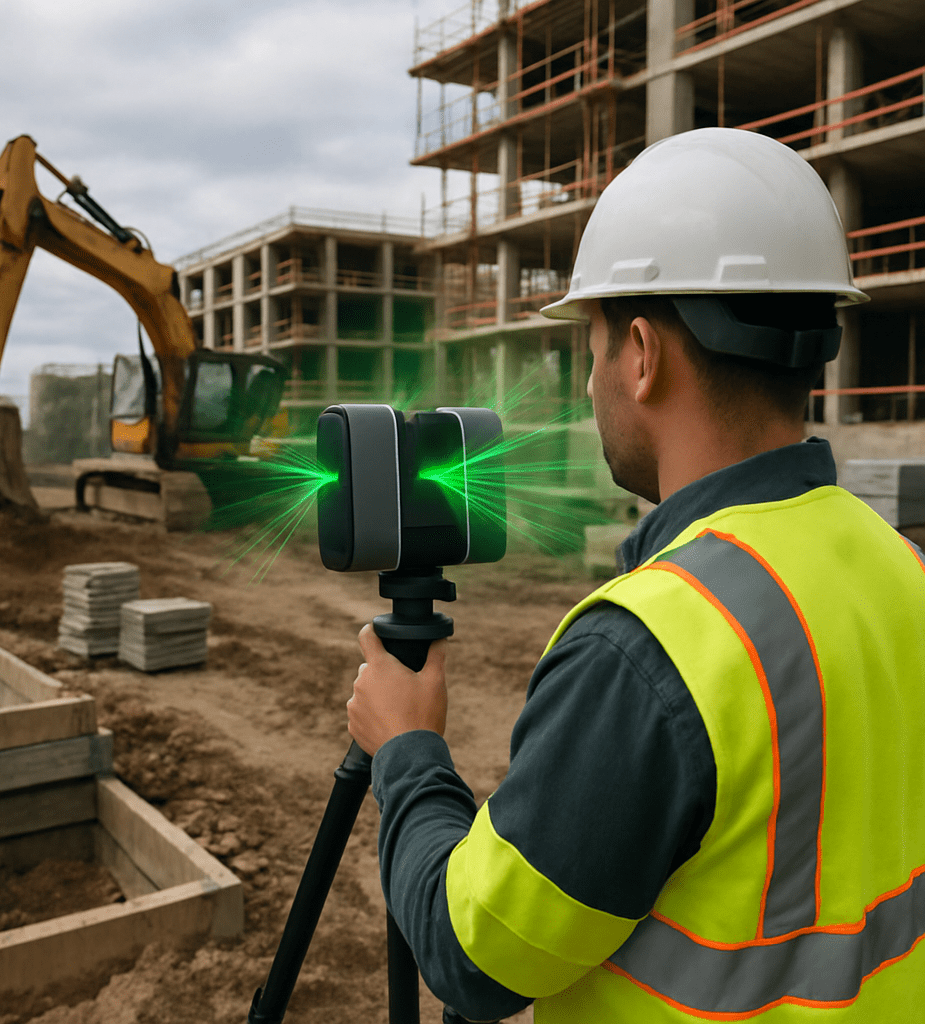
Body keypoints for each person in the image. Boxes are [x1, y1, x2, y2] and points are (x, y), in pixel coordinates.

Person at [346, 128, 925, 1021]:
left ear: (643, 355)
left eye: (592, 347)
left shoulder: (648, 650)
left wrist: (407, 752)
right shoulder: (902, 565)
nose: (590, 383)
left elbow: (475, 955)